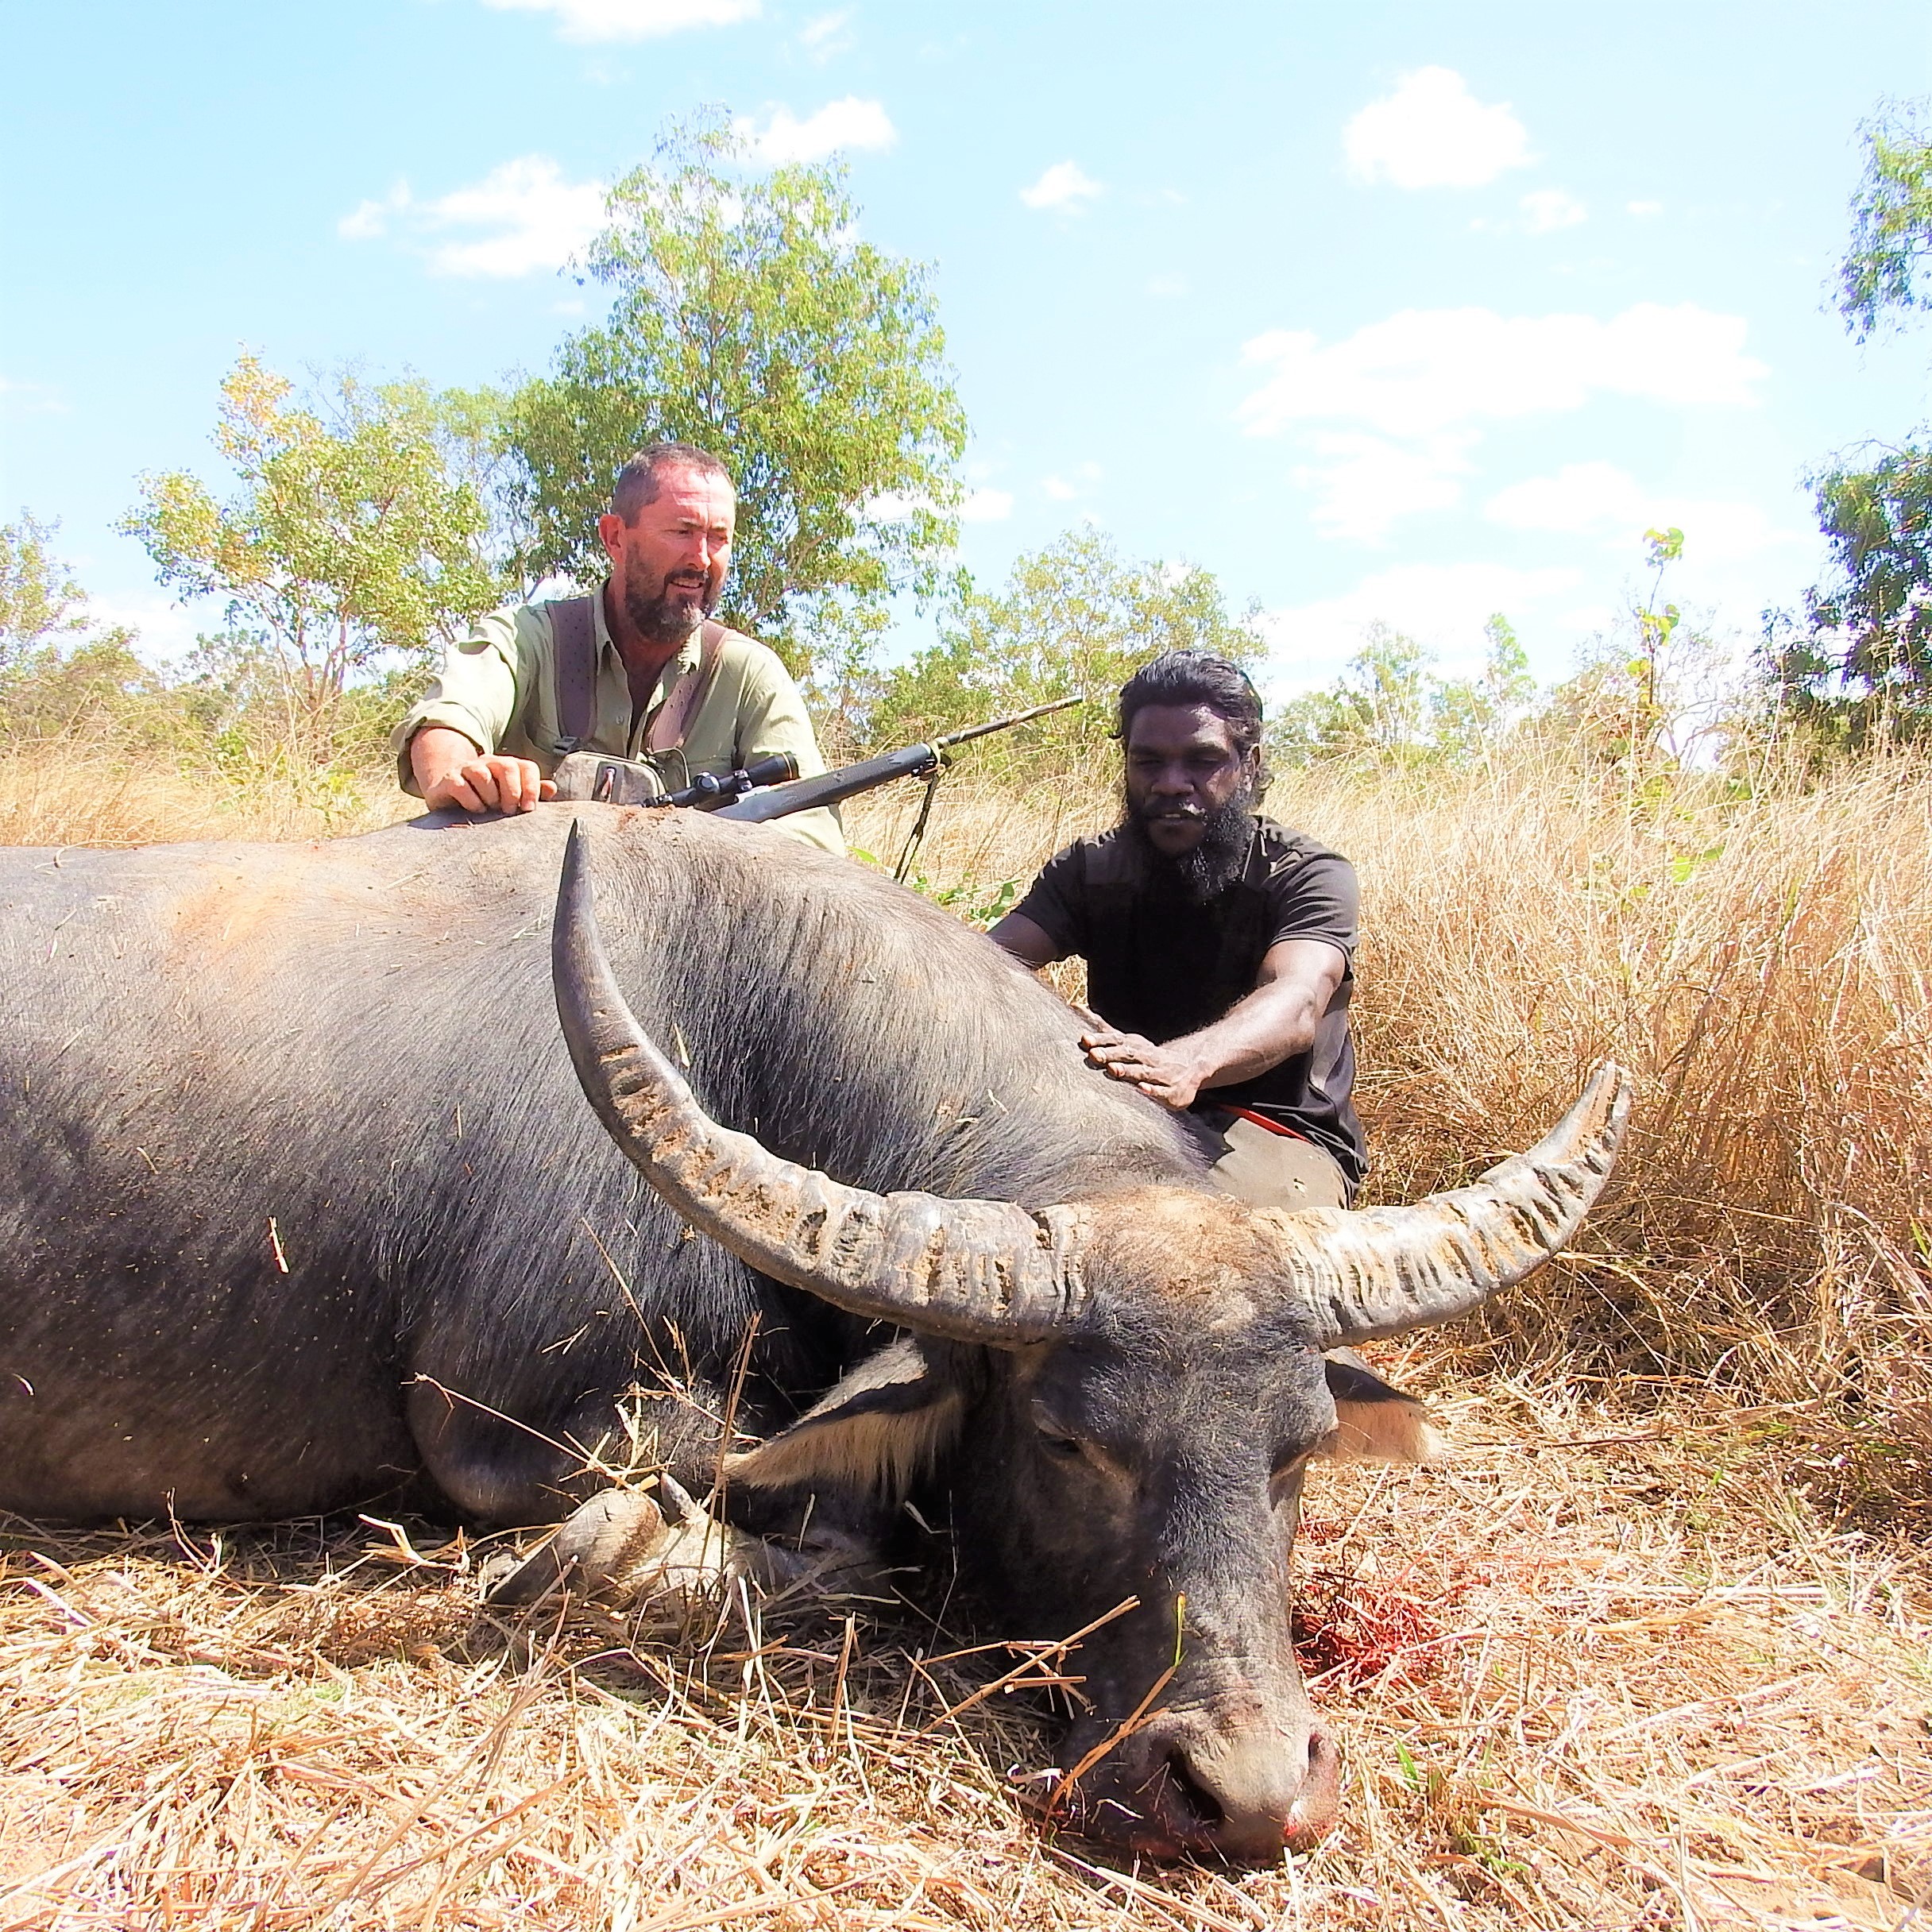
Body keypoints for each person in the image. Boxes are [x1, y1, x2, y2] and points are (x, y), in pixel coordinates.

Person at [987, 650, 1366, 1210]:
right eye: (1148, 762)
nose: (1171, 784)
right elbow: (984, 965)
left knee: (1202, 1248)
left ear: (1250, 764)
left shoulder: (1304, 873)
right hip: (1118, 1118)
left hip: (1275, 1131)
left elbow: (1298, 999)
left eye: (1202, 760)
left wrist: (1185, 1064)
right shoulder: (1090, 870)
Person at [392, 442, 844, 855]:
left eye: (718, 538)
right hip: (522, 914)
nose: (702, 558)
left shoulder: (749, 674)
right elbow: (449, 718)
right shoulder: (529, 636)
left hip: (684, 924)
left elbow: (811, 833)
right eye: (682, 532)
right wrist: (456, 774)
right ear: (615, 538)